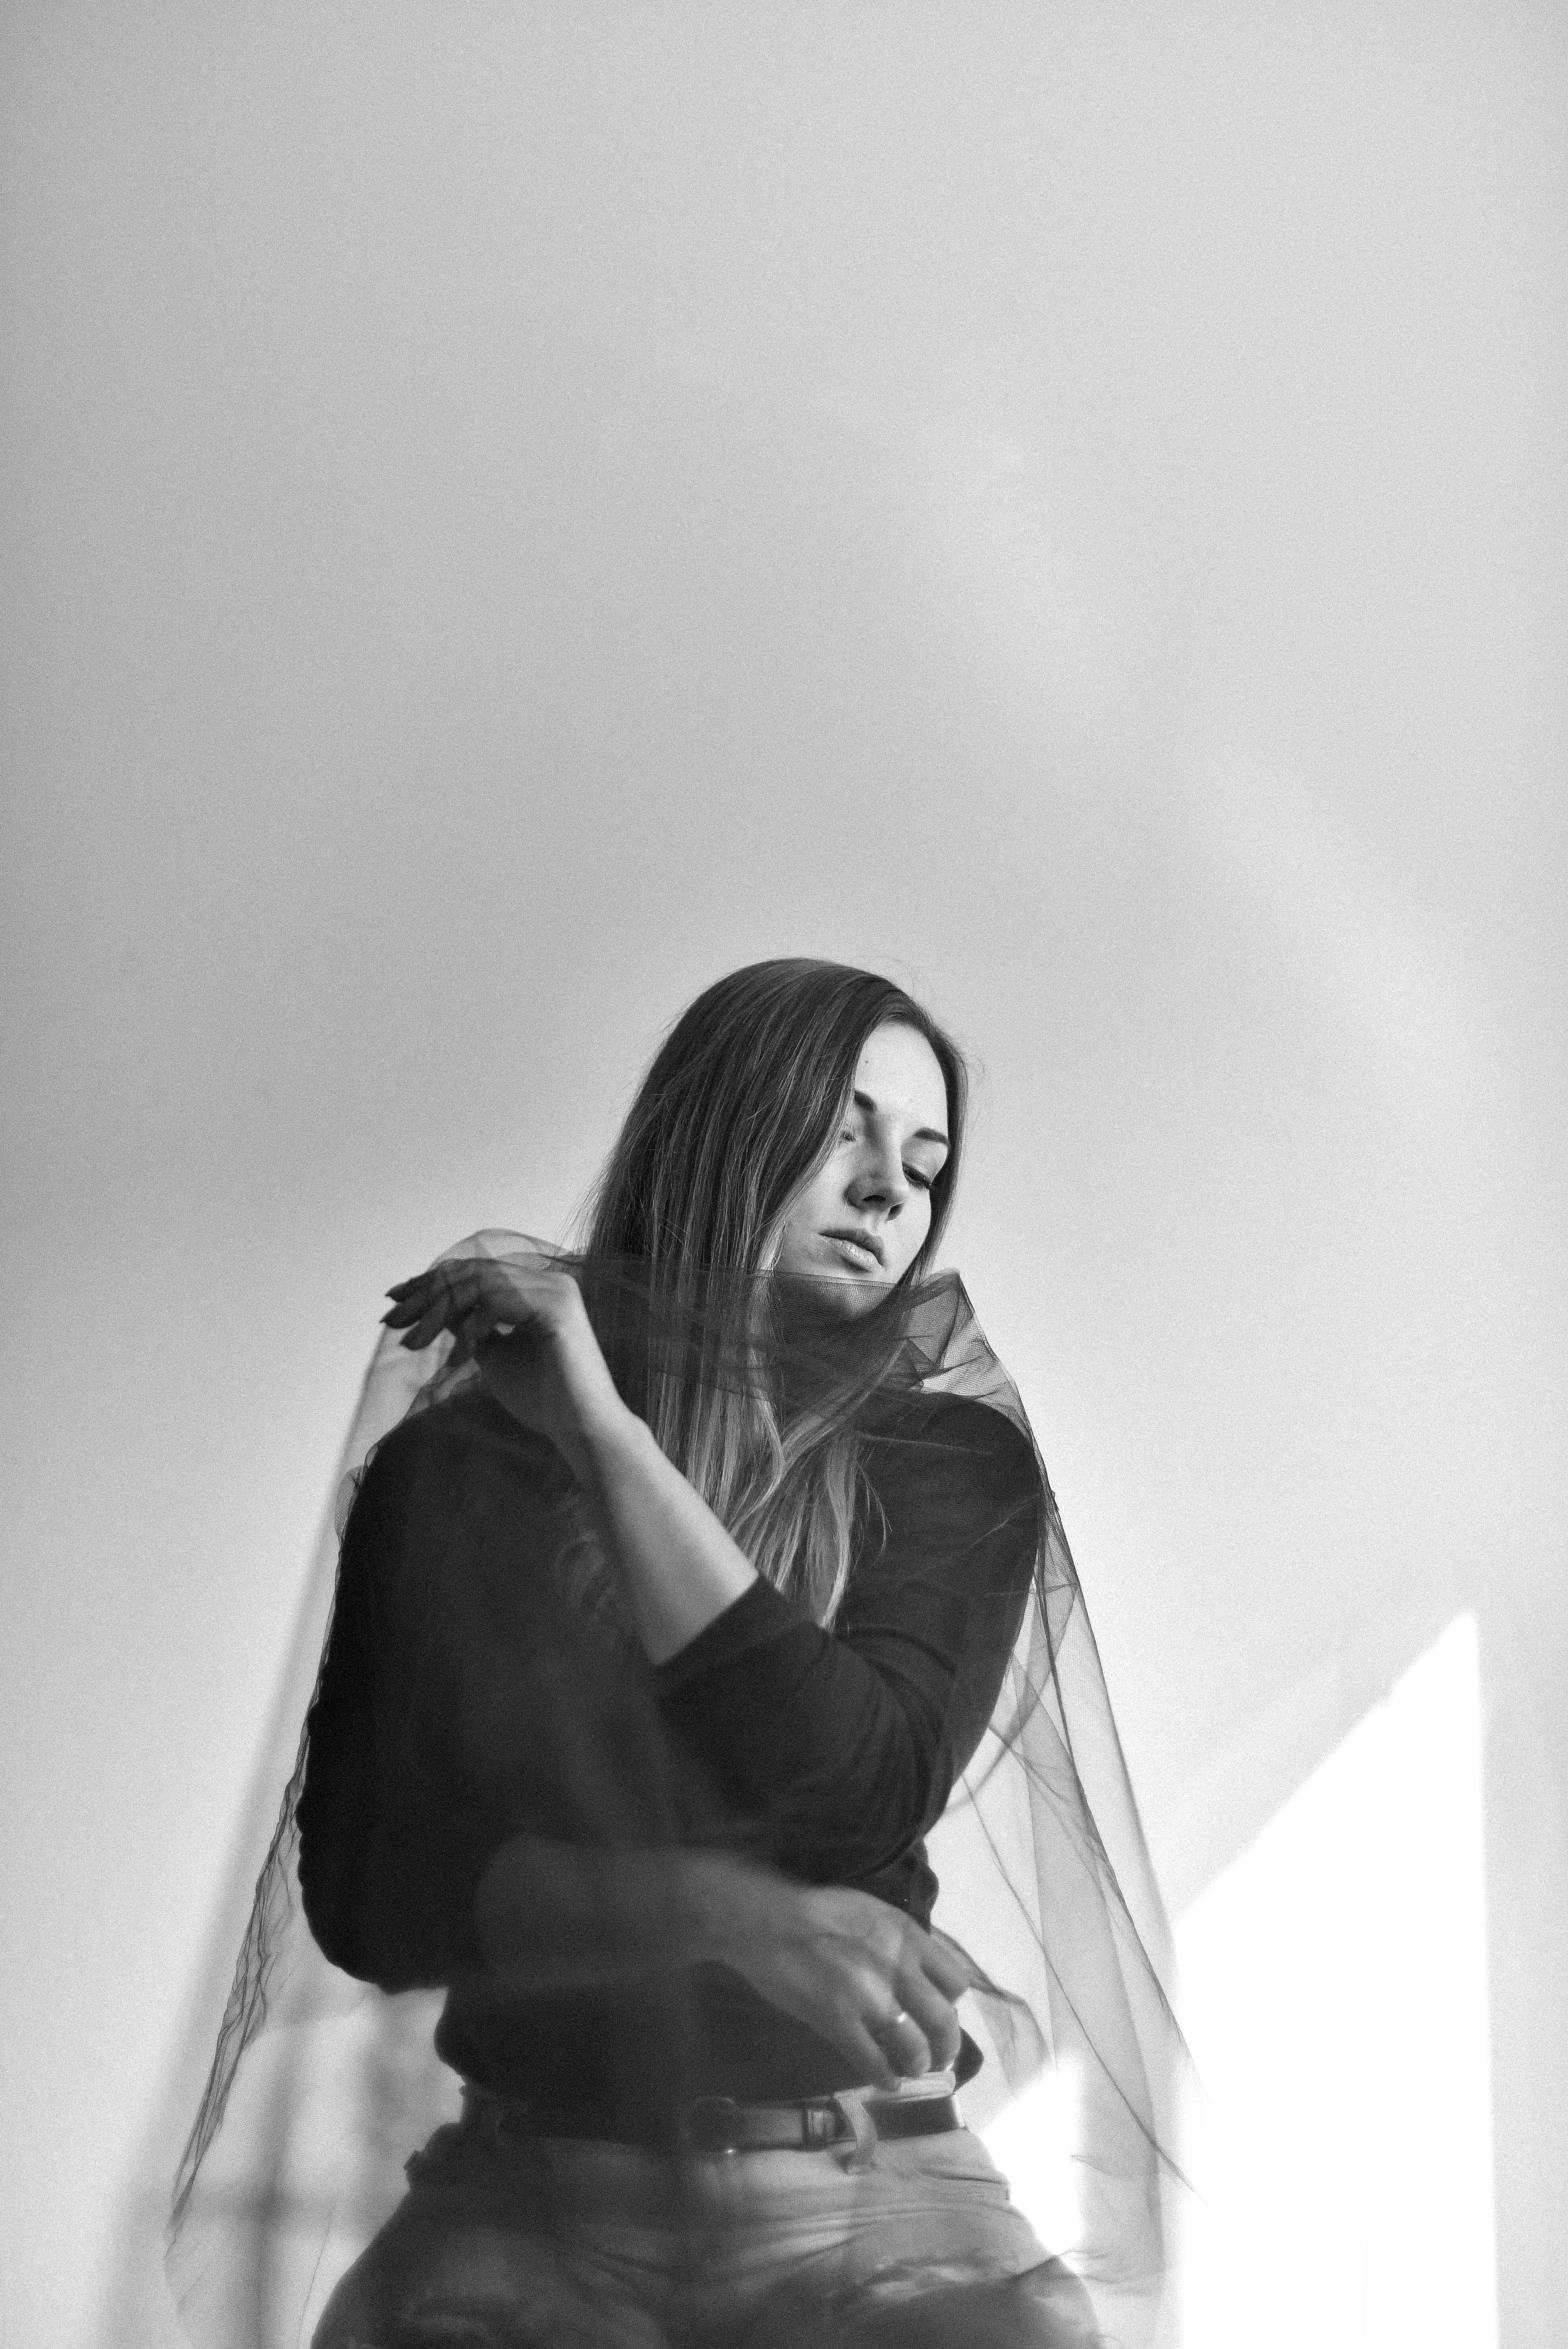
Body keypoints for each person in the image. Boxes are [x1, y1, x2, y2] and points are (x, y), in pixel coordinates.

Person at [167, 960, 1188, 2349]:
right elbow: (368, 1887)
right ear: (719, 1129)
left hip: (866, 2204)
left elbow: (854, 1791)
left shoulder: (949, 1463)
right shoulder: (455, 1471)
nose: (894, 1191)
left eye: (927, 1161)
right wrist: (733, 1915)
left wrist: (607, 1437)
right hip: (527, 2208)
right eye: (844, 1131)